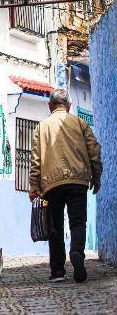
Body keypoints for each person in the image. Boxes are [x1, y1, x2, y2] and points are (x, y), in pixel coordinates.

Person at [29, 88, 103, 284]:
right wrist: (96, 176)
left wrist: (34, 185)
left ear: (50, 106)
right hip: (78, 181)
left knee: (55, 227)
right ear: (69, 106)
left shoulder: (41, 127)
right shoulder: (80, 123)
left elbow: (36, 159)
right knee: (78, 222)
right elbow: (94, 150)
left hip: (52, 183)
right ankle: (77, 252)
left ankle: (58, 271)